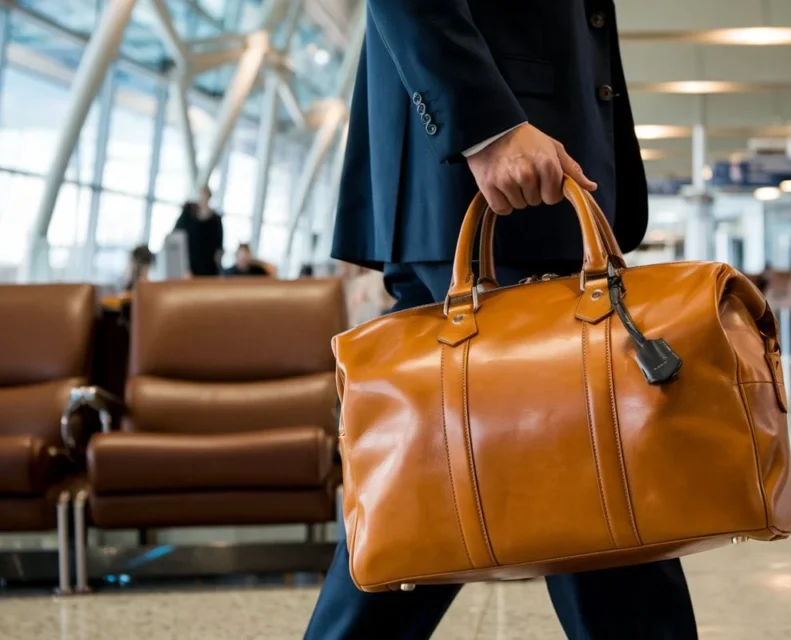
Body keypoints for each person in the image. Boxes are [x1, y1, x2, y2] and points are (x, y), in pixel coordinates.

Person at [306, 3, 699, 639]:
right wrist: (486, 127)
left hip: (494, 174)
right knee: (595, 484)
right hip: (496, 175)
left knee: (428, 483)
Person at [173, 186, 223, 277]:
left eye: (206, 195)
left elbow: (218, 247)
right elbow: (176, 237)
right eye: (202, 194)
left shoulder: (216, 220)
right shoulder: (188, 214)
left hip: (207, 269)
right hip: (187, 266)